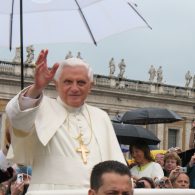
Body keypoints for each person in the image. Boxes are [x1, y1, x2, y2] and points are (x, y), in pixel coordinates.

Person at [5, 49, 126, 192]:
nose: (74, 88)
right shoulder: (39, 107)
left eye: (81, 82)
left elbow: (117, 166)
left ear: (90, 86)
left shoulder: (101, 116)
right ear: (56, 84)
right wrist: (37, 88)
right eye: (68, 82)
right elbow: (16, 116)